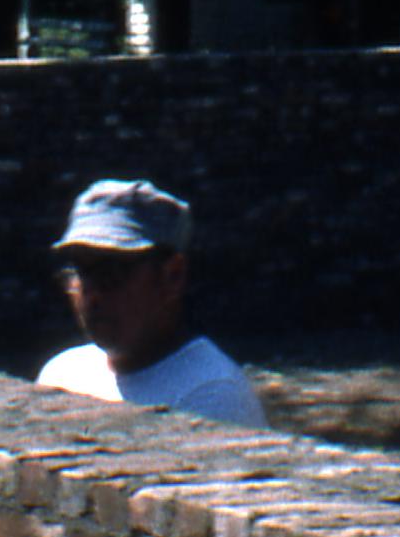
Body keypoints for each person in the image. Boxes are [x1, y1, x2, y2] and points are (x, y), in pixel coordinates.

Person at [37, 179, 268, 429]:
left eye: (111, 272)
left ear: (172, 276)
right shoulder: (62, 374)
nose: (92, 295)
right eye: (82, 273)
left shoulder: (212, 397)